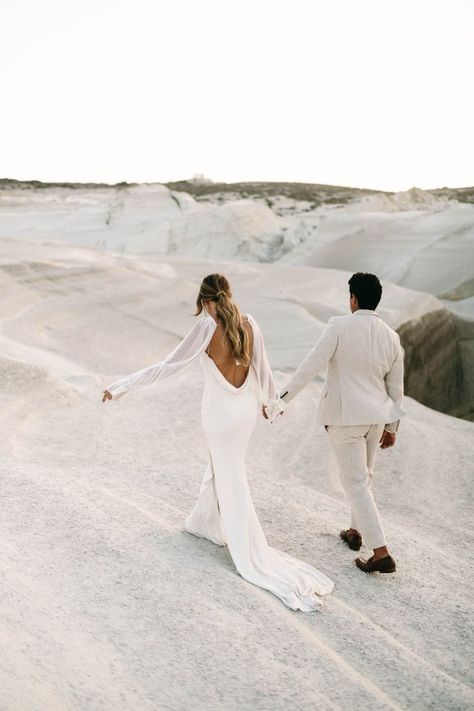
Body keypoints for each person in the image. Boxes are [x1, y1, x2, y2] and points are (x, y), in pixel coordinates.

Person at [102, 273, 333, 611]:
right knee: (224, 466)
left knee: (231, 477)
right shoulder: (250, 324)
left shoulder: (207, 327)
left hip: (220, 414)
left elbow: (168, 366)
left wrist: (122, 385)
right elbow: (264, 370)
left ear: (206, 301)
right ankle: (203, 523)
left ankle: (251, 552)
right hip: (245, 412)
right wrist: (272, 404)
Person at [279, 272, 404, 574]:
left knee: (356, 483)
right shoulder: (391, 336)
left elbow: (311, 364)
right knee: (366, 478)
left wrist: (282, 399)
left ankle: (381, 552)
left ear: (354, 299)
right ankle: (355, 532)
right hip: (375, 419)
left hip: (346, 418)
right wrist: (391, 428)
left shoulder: (339, 326)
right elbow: (396, 387)